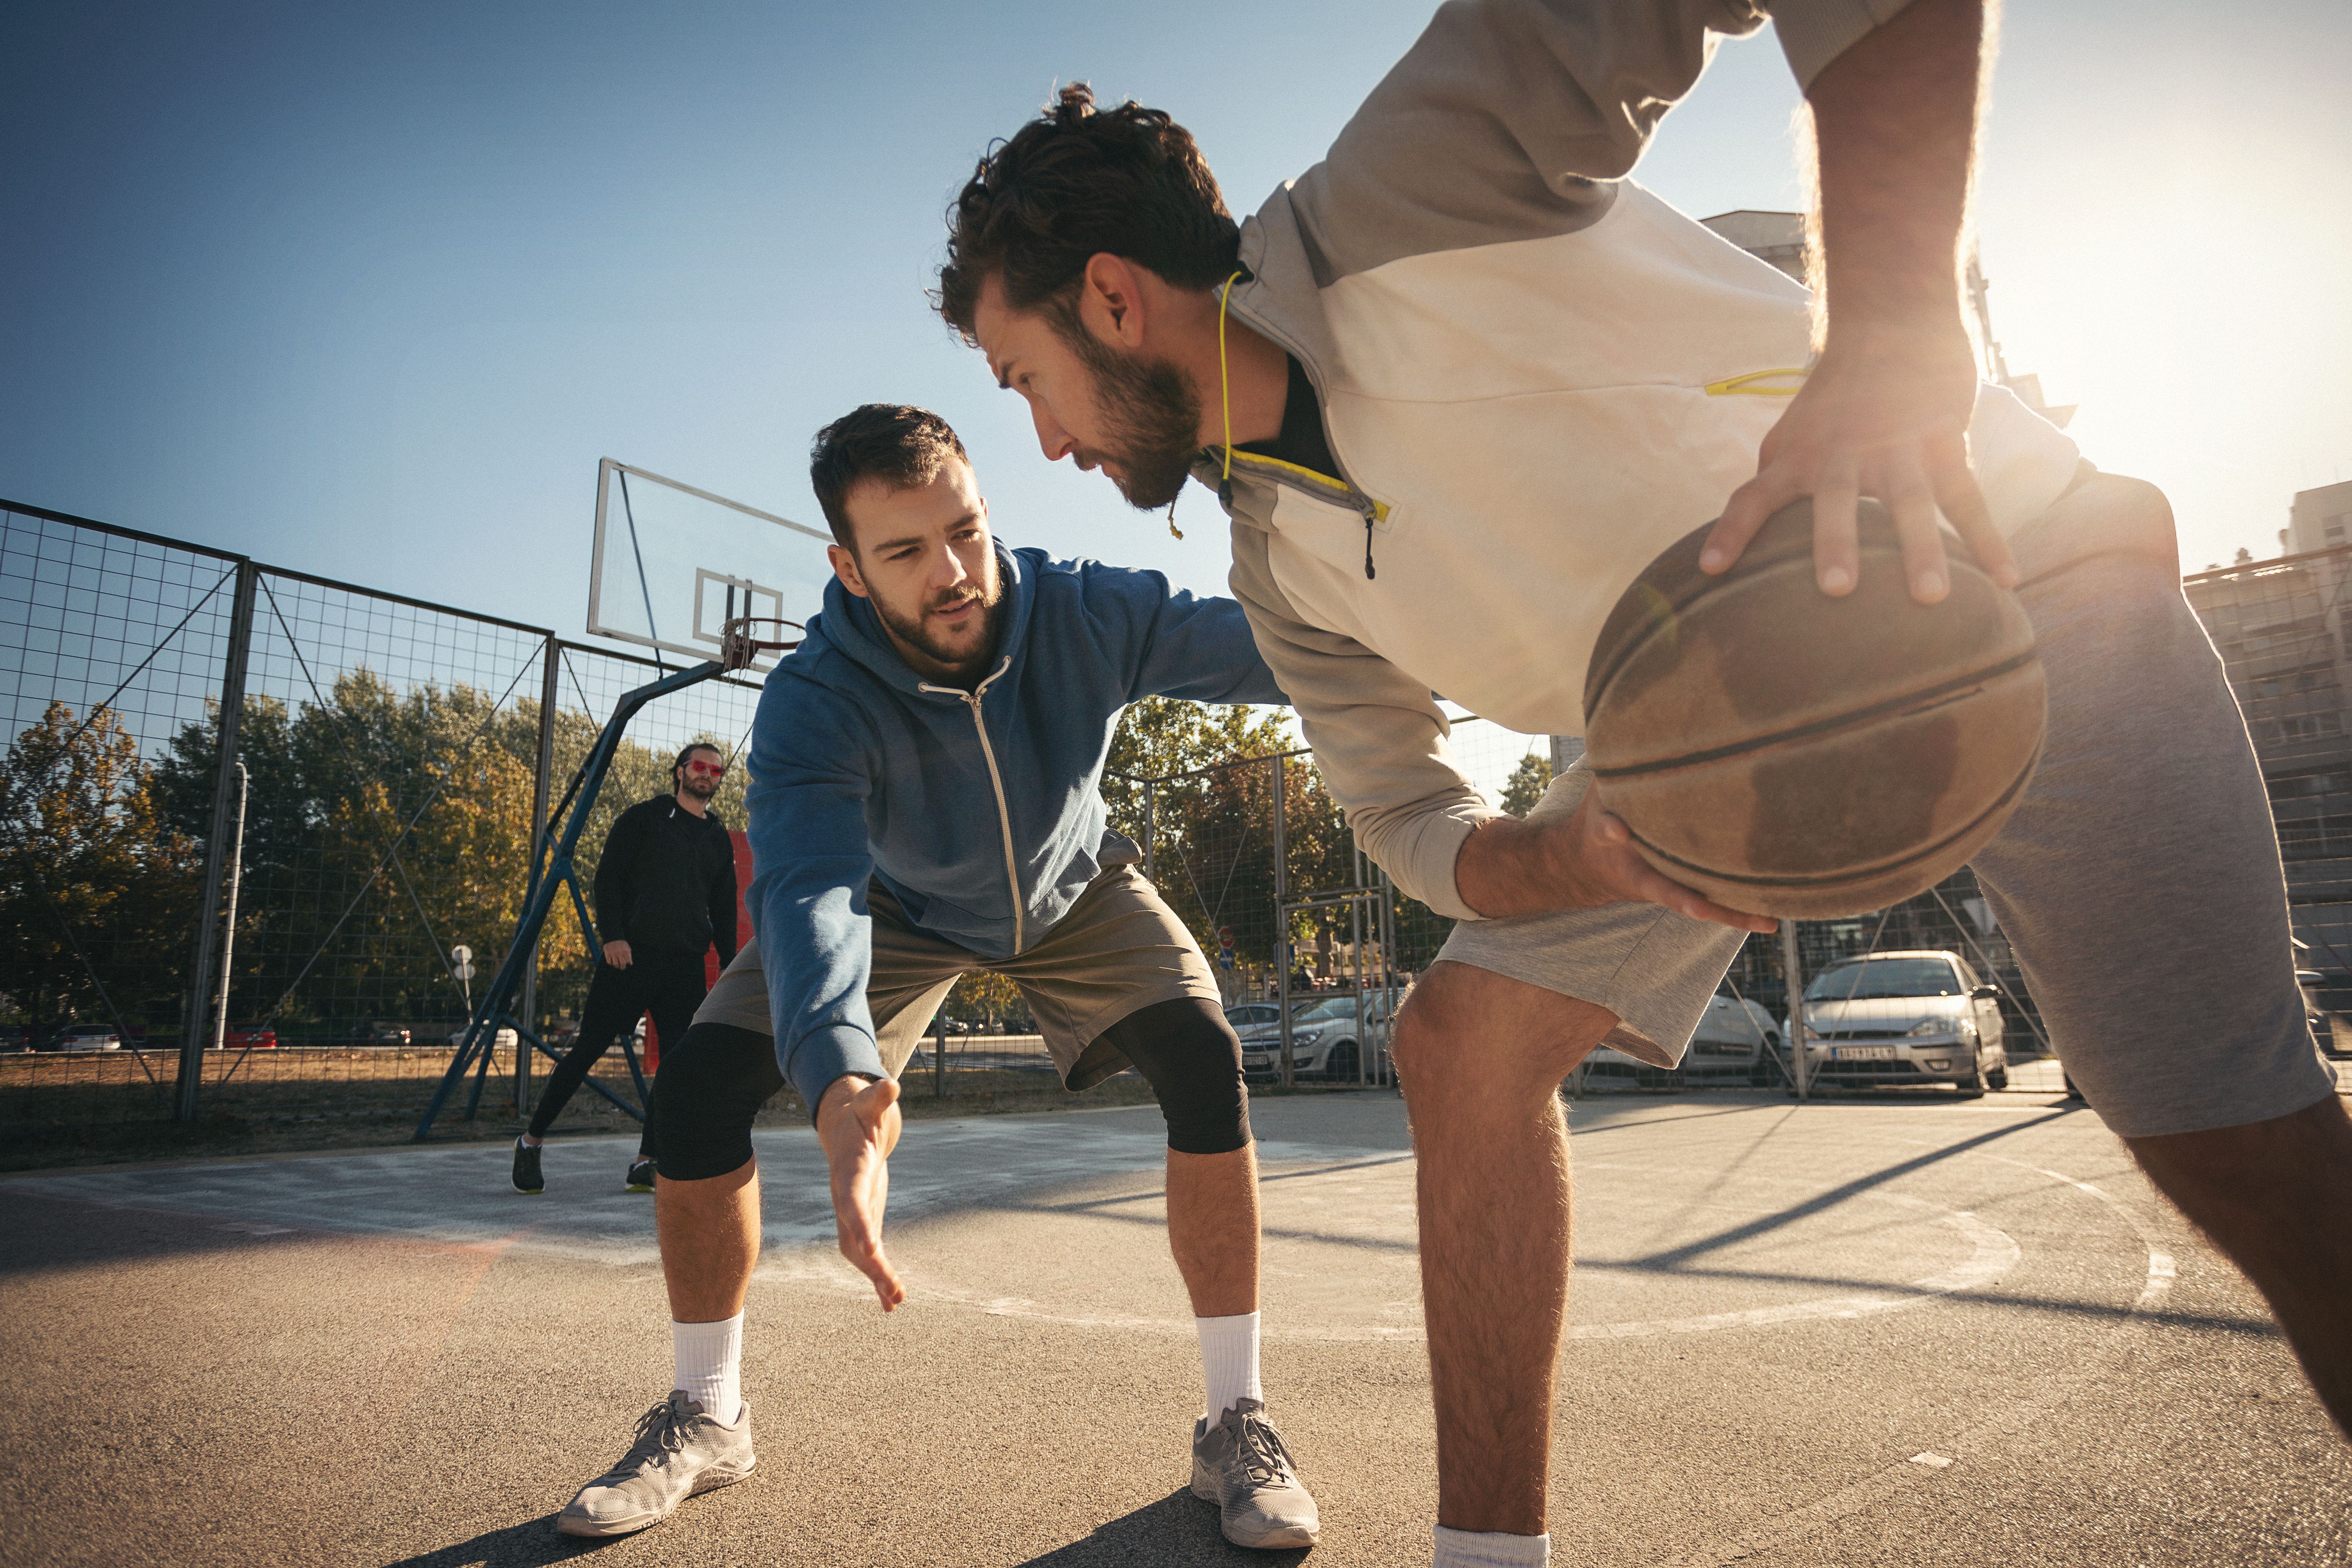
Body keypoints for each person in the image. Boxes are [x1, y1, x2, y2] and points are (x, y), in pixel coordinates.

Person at [931, 3, 2352, 1564]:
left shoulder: (1413, 188)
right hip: (1696, 746)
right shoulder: (1282, 572)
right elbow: (1412, 822)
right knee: (1458, 1044)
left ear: (1114, 298)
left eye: (1020, 377)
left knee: (2237, 1142)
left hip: (1996, 582)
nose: (1042, 439)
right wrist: (1583, 854)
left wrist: (1889, 335)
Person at [550, 404, 1320, 1550]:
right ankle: (708, 1415)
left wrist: (1430, 629)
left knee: (1207, 1060)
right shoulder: (815, 697)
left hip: (1075, 888)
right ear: (848, 568)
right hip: (898, 907)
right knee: (700, 1086)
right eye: (906, 552)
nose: (954, 573)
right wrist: (842, 1079)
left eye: (965, 530)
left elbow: (1278, 645)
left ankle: (1234, 1422)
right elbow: (809, 889)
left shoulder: (1078, 610)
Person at [511, 744, 739, 1194]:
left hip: (684, 969)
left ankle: (645, 1160)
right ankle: (531, 1141)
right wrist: (612, 935)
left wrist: (731, 966)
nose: (708, 775)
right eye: (700, 766)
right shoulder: (644, 818)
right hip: (630, 957)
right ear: (680, 772)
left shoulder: (717, 839)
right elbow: (608, 876)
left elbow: (724, 908)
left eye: (716, 770)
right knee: (586, 1053)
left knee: (676, 1069)